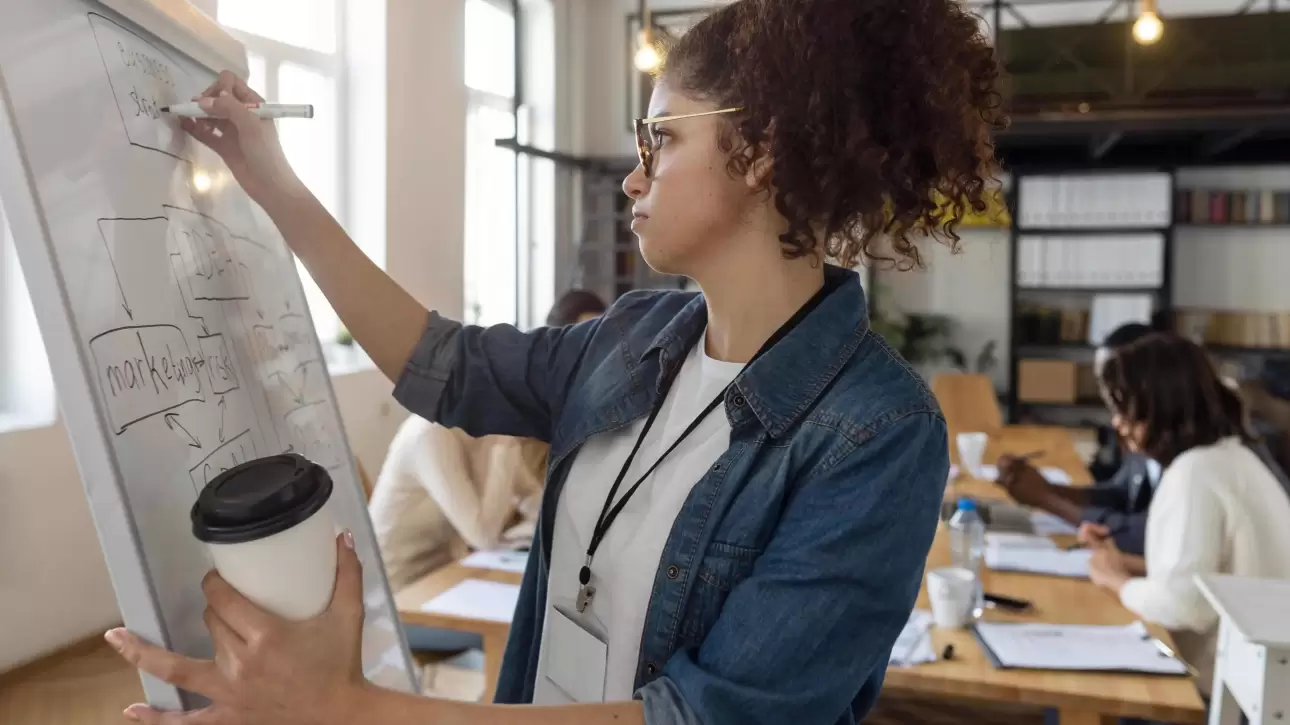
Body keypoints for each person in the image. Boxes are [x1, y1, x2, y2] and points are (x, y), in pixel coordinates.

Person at [104, 1, 1007, 723]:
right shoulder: (634, 335)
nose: (633, 174)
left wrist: (349, 709)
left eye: (661, 138)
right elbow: (442, 363)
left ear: (760, 151)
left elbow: (709, 715)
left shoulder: (878, 434)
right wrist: (273, 181)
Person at [370, 291, 606, 654]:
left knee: (548, 614)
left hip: (450, 584)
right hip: (400, 604)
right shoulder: (431, 434)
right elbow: (482, 532)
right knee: (527, 633)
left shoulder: (482, 436)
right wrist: (507, 442)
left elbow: (534, 502)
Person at [1084, 333, 1290, 692]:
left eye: (1124, 409)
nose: (1117, 424)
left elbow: (1186, 606)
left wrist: (1115, 582)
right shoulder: (1229, 457)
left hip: (1227, 693)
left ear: (1159, 405)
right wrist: (1130, 566)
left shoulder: (1196, 472)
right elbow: (1214, 577)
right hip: (1262, 682)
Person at [996, 323, 1160, 555]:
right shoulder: (1136, 425)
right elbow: (1119, 494)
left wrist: (1047, 499)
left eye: (1112, 381)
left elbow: (1144, 535)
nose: (1105, 393)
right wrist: (1043, 487)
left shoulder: (1176, 442)